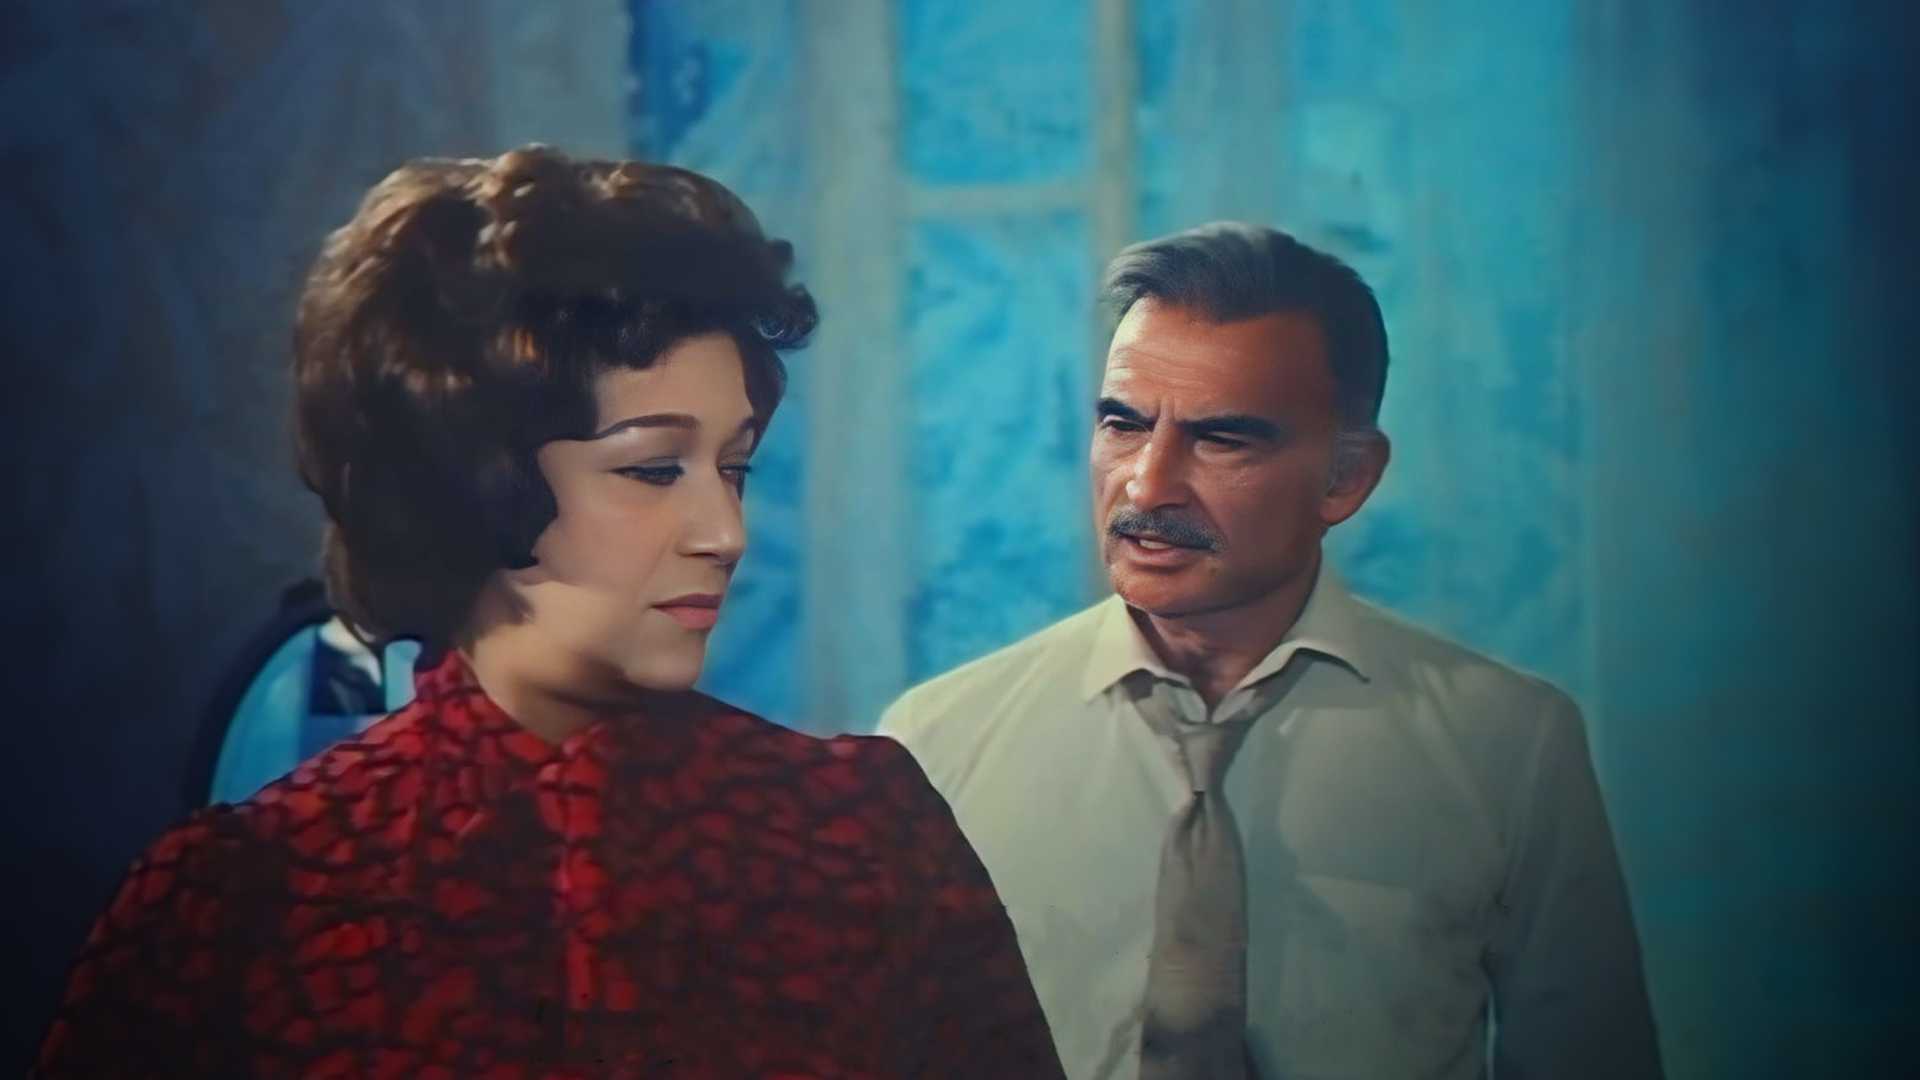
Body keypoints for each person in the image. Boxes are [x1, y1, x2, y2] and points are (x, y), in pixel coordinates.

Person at [36, 146, 1063, 1078]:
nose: (725, 532)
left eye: (735, 467)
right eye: (653, 469)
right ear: (470, 480)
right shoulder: (236, 905)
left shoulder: (862, 834)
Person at [880, 223, 1663, 1078]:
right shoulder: (936, 746)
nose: (1147, 484)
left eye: (1222, 438)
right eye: (1123, 423)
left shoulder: (1508, 747)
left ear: (1346, 478)